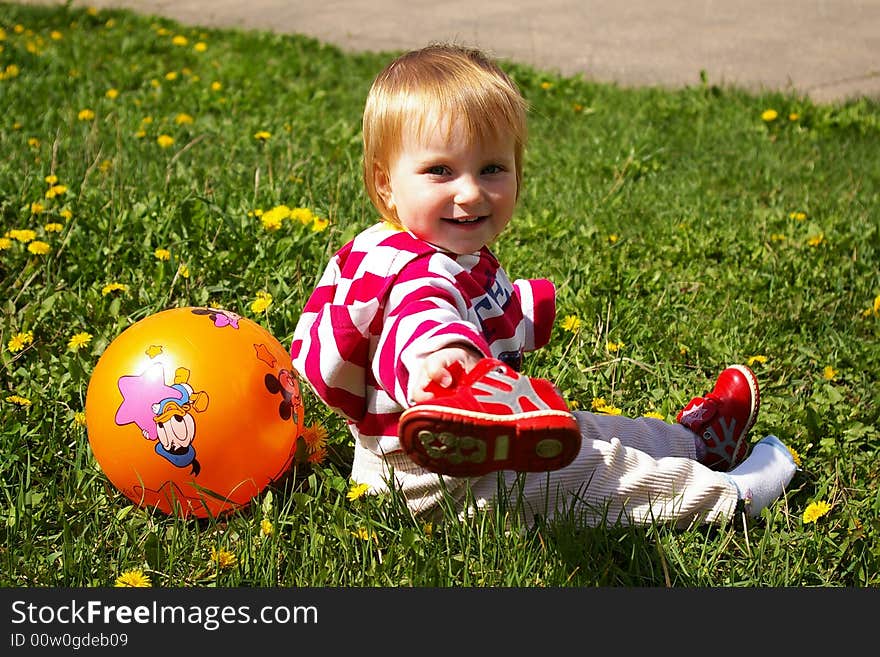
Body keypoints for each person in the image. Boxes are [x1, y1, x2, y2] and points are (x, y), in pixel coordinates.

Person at [290, 43, 797, 528]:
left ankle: (696, 444)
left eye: (492, 168)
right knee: (601, 474)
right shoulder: (414, 272)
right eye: (439, 171)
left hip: (448, 455)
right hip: (437, 479)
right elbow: (423, 317)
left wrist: (524, 312)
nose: (470, 192)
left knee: (587, 431)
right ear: (386, 185)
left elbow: (472, 304)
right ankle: (734, 498)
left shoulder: (438, 249)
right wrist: (440, 360)